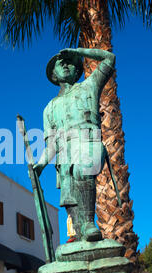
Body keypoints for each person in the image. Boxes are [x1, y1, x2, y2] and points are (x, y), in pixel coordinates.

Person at [34, 47, 116, 242]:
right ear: (54, 74)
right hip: (65, 152)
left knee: (81, 167)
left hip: (88, 141)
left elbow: (110, 58)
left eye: (69, 61)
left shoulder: (89, 86)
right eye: (60, 63)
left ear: (77, 70)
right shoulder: (49, 109)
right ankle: (79, 235)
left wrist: (78, 51)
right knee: (69, 193)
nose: (65, 64)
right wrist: (40, 164)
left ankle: (89, 223)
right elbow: (52, 143)